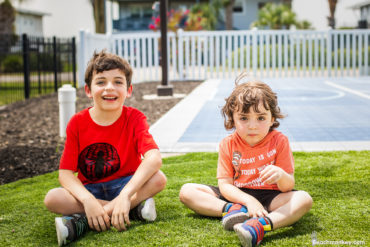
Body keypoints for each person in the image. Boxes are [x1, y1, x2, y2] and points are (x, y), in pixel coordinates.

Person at [44, 50, 167, 246]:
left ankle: (83, 221)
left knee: (158, 178)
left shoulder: (135, 118)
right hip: (90, 189)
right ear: (88, 90)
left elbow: (154, 158)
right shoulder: (77, 123)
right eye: (101, 82)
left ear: (128, 90)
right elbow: (66, 173)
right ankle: (132, 210)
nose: (109, 88)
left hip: (125, 185)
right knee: (52, 198)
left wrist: (126, 195)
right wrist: (88, 201)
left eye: (118, 82)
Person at [179, 74, 313, 247]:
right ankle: (233, 211)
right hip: (236, 194)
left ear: (272, 118)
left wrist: (280, 175)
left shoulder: (280, 141)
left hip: (271, 197)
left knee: (304, 199)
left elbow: (287, 187)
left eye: (261, 118)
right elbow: (225, 185)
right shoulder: (227, 144)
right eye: (243, 118)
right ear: (232, 119)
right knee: (187, 191)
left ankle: (259, 226)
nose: (252, 125)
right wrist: (248, 201)